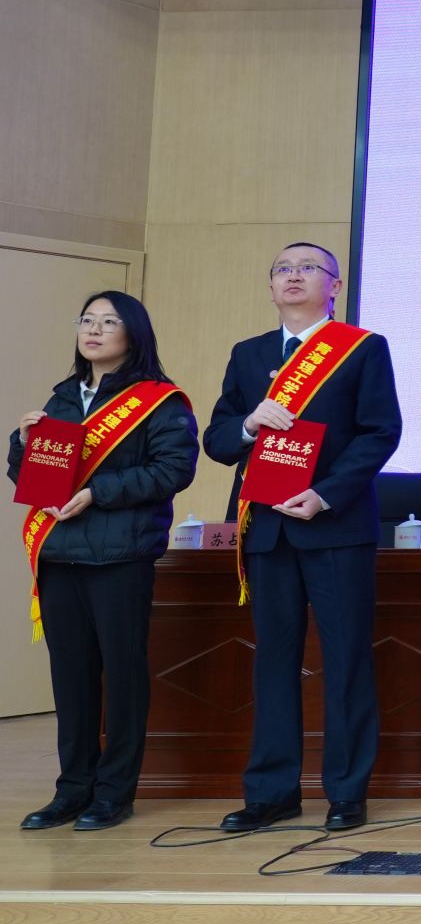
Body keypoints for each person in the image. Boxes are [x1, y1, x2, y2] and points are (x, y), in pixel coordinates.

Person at [202, 242, 401, 833]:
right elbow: (217, 439)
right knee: (273, 662)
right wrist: (248, 423)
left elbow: (380, 432)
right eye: (282, 269)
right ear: (270, 287)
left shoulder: (362, 348)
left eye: (307, 268)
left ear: (334, 286)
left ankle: (346, 791)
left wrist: (326, 493)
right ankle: (271, 792)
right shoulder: (249, 354)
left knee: (345, 660)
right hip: (266, 529)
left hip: (334, 526)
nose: (293, 276)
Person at [10, 292, 197, 832]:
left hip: (121, 555)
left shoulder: (160, 400)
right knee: (71, 679)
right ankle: (72, 789)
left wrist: (98, 492)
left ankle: (114, 793)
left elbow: (173, 470)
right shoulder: (63, 396)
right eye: (87, 320)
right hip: (61, 554)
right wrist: (22, 444)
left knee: (122, 676)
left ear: (133, 334)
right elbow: (28, 472)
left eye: (108, 321)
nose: (93, 330)